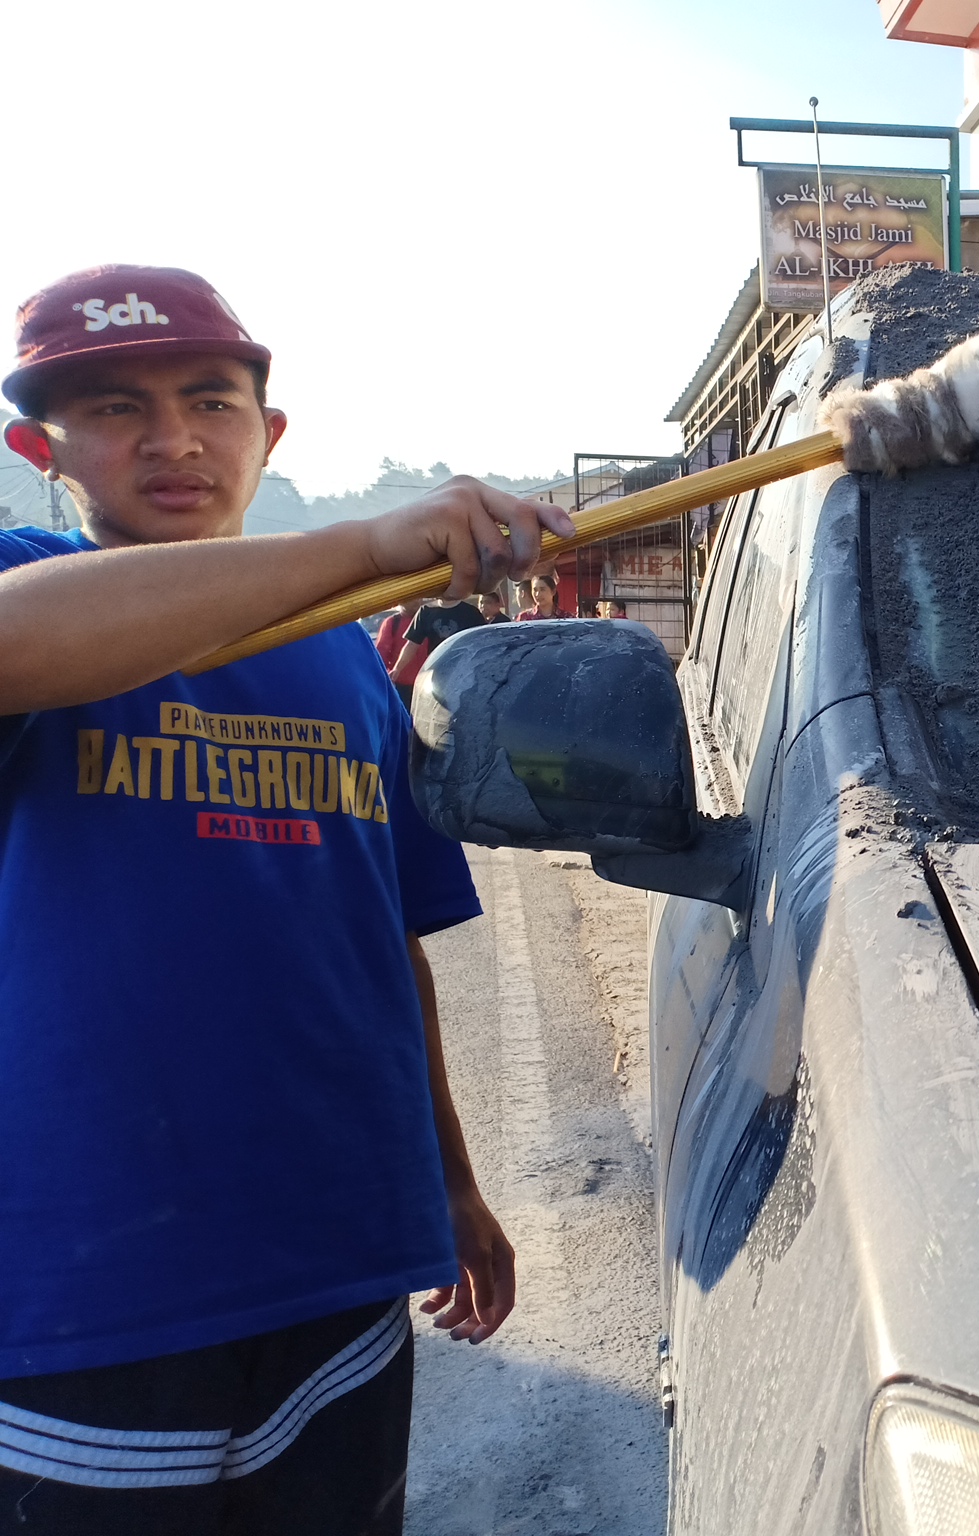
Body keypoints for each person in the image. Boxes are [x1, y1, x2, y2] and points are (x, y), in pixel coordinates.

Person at [0, 264, 574, 1532]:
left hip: (337, 1265)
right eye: (114, 408)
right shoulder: (29, 583)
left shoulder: (344, 655)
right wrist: (360, 546)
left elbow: (384, 940)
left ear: (269, 433)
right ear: (40, 449)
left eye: (209, 400)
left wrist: (450, 1182)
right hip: (86, 1290)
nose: (173, 439)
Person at [387, 594, 486, 709]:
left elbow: (483, 643)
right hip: (437, 672)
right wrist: (397, 669)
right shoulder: (426, 611)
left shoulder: (471, 613)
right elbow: (412, 644)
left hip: (465, 672)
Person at [373, 596, 423, 669]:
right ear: (400, 601)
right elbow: (382, 655)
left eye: (418, 597)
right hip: (399, 675)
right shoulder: (392, 622)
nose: (416, 601)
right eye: (410, 598)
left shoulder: (428, 619)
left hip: (428, 674)